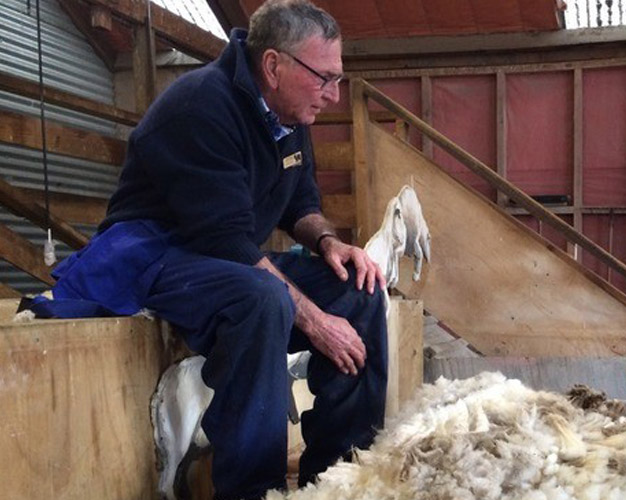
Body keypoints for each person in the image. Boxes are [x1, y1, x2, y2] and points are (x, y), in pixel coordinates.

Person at [29, 1, 386, 498]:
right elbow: (222, 237)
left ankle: (342, 476)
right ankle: (252, 489)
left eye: (338, 78)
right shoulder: (202, 106)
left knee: (360, 288)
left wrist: (329, 243)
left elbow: (300, 202)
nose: (333, 95)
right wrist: (315, 321)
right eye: (325, 78)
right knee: (264, 299)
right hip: (156, 252)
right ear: (274, 66)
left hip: (222, 251)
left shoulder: (290, 111)